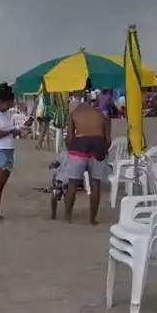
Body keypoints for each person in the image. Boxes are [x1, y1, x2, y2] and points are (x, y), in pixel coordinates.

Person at [60, 94, 111, 224]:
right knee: (95, 183)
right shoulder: (102, 116)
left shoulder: (74, 114)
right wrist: (103, 150)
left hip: (79, 147)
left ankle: (68, 216)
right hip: (98, 147)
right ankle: (92, 219)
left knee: (73, 183)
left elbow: (70, 138)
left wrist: (70, 147)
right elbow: (108, 140)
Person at [0, 83, 24, 220]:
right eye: (8, 103)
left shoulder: (7, 114)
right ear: (1, 101)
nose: (10, 106)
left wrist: (16, 132)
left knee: (2, 183)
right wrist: (11, 131)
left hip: (8, 149)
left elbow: (7, 131)